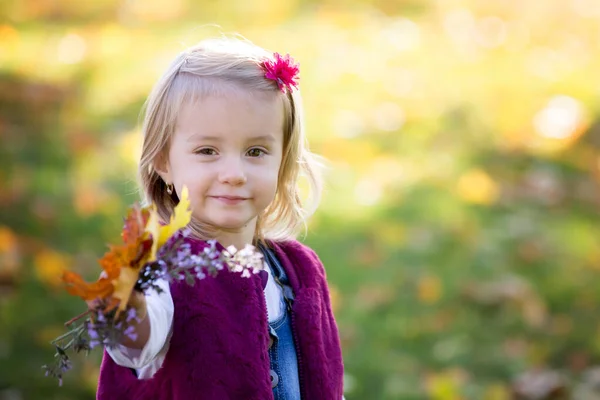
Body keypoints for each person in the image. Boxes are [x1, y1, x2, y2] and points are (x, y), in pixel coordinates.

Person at [95, 36, 345, 400]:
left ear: (283, 160)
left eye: (255, 151)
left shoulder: (299, 270)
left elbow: (326, 376)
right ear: (164, 160)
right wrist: (125, 308)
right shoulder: (162, 267)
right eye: (208, 150)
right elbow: (136, 349)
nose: (234, 173)